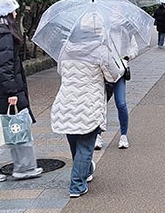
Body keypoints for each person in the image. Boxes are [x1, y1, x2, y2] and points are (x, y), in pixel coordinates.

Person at [51, 12, 125, 198]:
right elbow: (113, 76)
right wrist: (121, 64)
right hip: (89, 103)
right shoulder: (100, 50)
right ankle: (77, 185)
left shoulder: (66, 48)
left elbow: (61, 70)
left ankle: (85, 169)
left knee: (75, 141)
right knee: (86, 146)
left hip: (66, 101)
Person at [0, 0, 43, 184]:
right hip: (3, 91)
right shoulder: (4, 35)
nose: (15, 13)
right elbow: (4, 66)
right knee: (19, 124)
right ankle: (25, 167)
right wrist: (12, 92)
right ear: (6, 13)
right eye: (13, 10)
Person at [95, 33, 139, 150]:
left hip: (119, 71)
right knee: (100, 103)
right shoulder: (101, 30)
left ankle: (123, 135)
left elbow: (134, 48)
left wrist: (127, 57)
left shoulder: (126, 32)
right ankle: (98, 135)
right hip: (102, 71)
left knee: (121, 103)